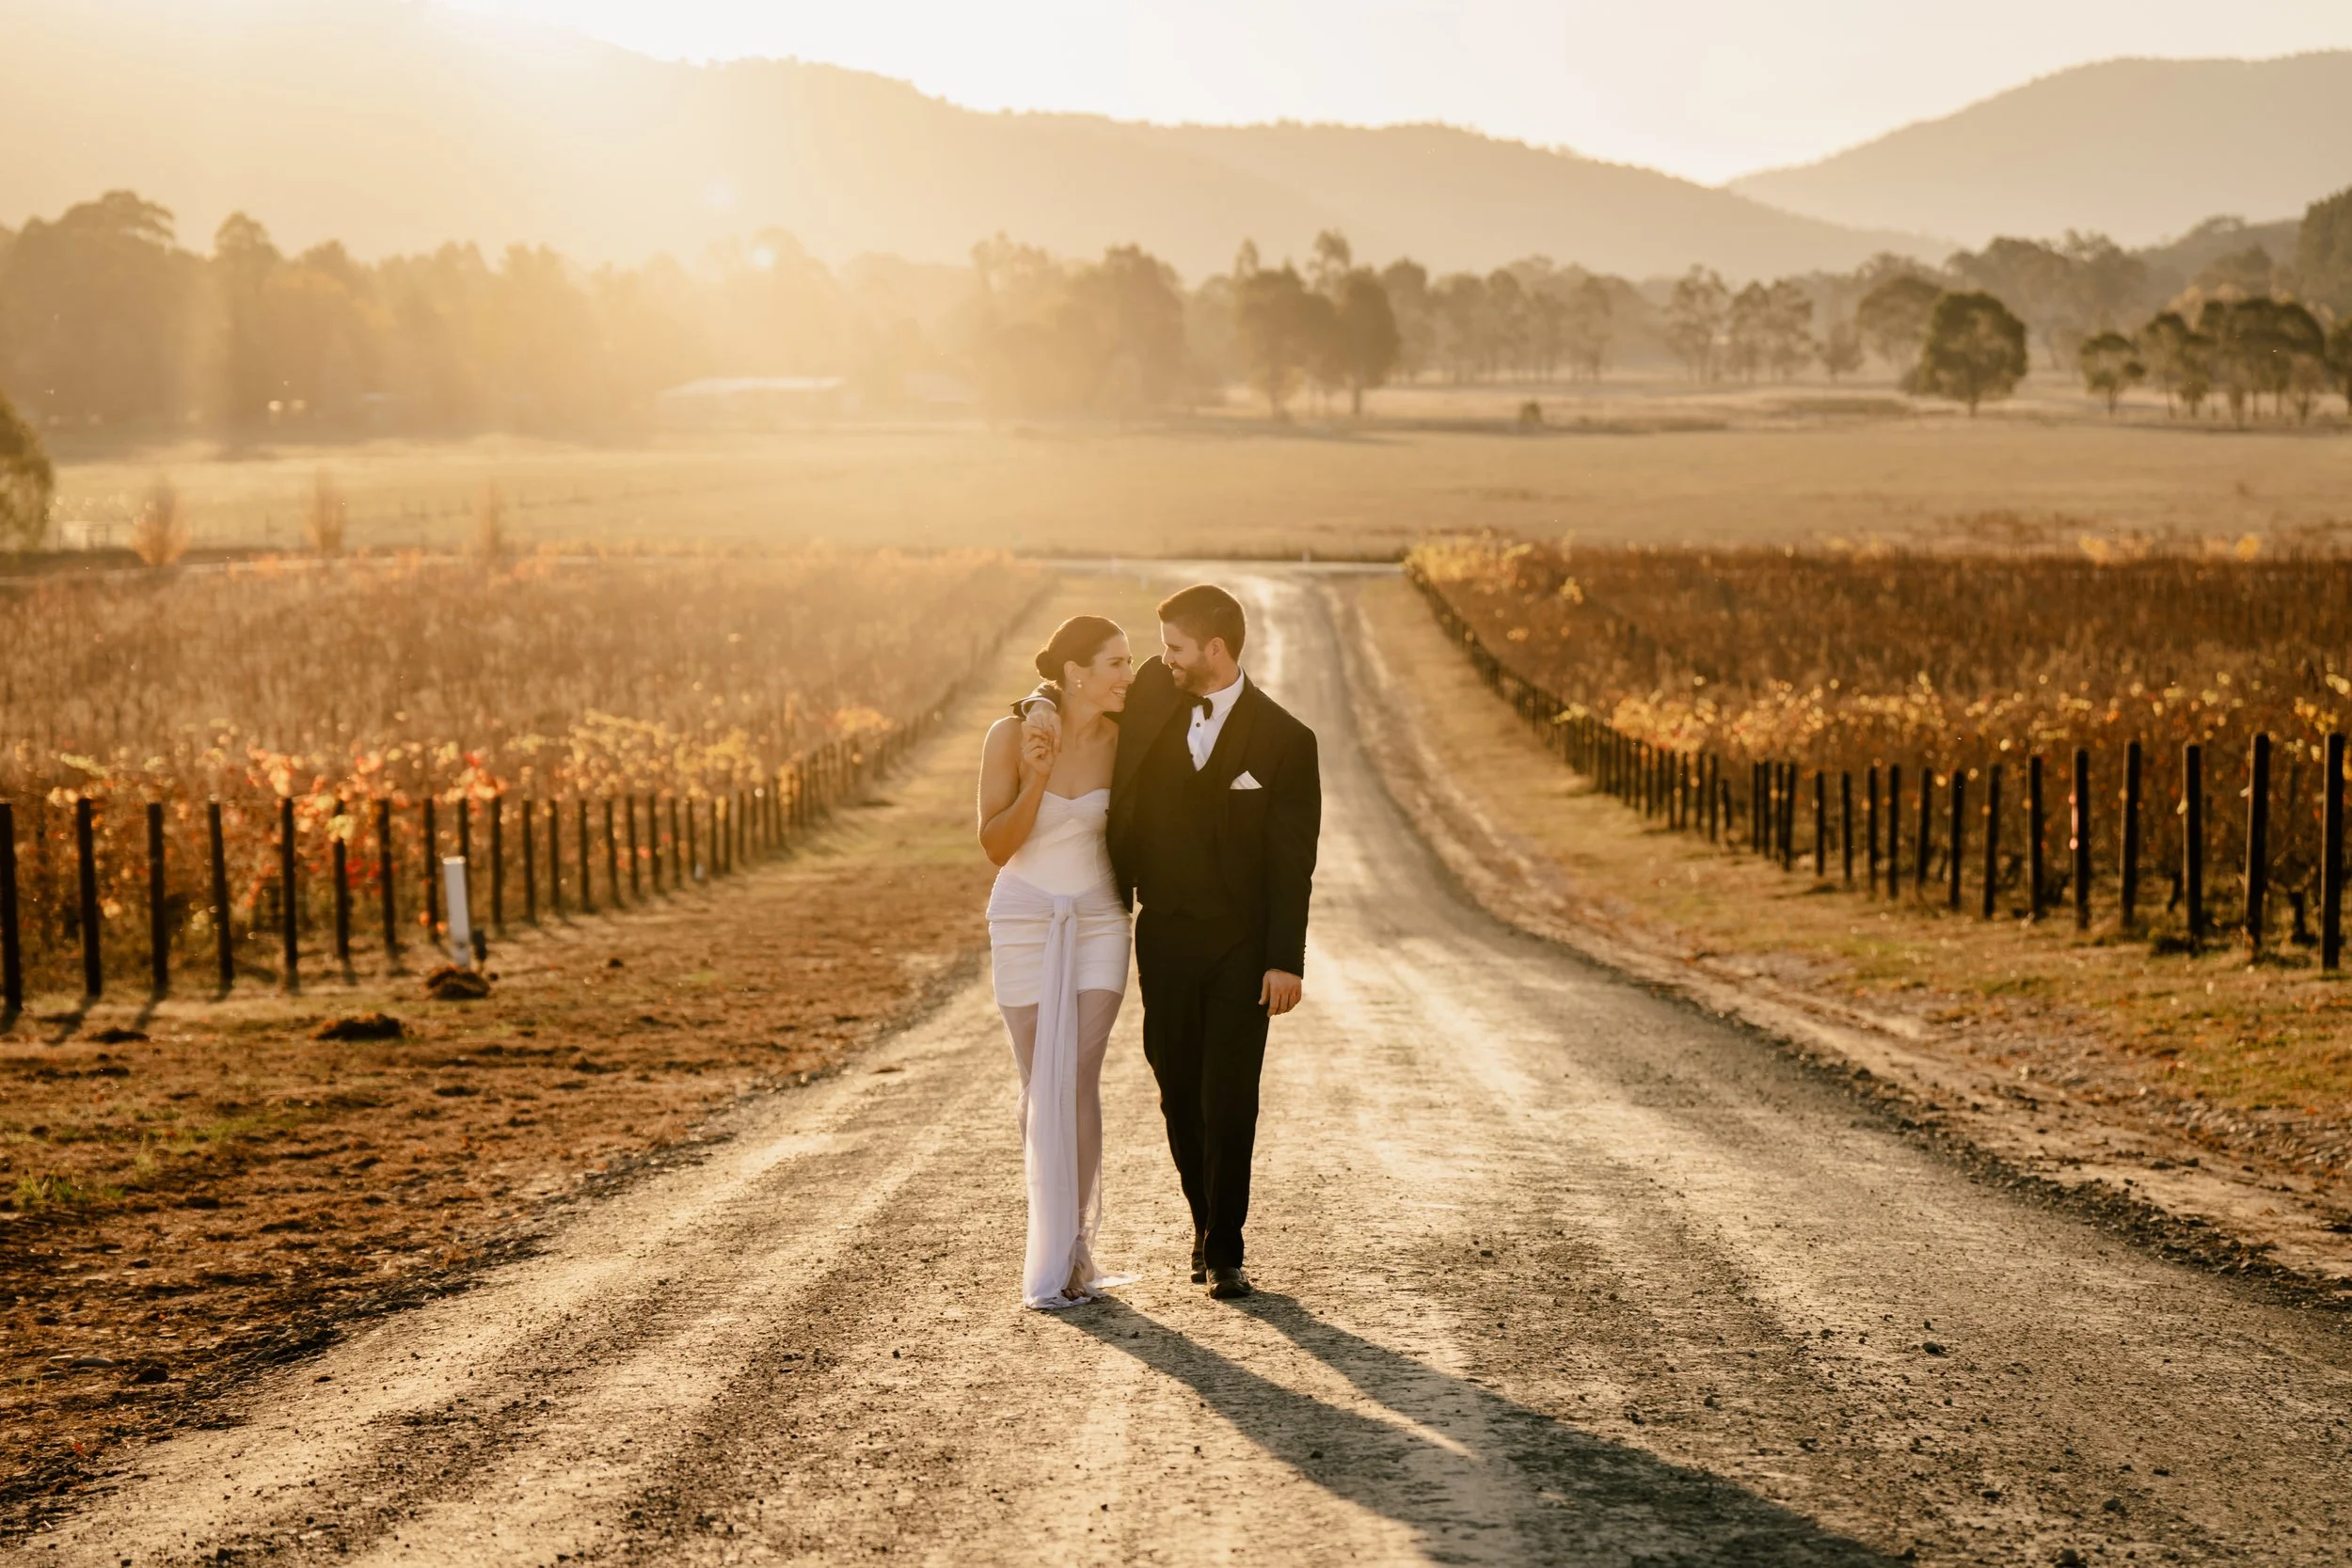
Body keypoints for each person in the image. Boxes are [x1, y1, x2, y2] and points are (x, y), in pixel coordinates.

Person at [1023, 584, 1321, 1301]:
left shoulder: (1286, 740)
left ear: (1214, 650)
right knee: (1176, 1087)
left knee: (1231, 1094)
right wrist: (1035, 702)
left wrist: (1285, 958)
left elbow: (1292, 859)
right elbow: (1067, 677)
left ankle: (1225, 1248)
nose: (1161, 660)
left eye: (1176, 648)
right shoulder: (1156, 689)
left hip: (1244, 946)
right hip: (1163, 933)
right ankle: (1202, 1217)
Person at [977, 615, 1136, 1309]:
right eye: (1116, 663)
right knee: (1040, 1082)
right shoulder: (1011, 735)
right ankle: (1047, 1231)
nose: (1130, 675)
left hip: (1100, 917)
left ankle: (1073, 1245)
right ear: (1076, 671)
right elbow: (994, 844)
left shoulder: (1129, 740)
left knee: (1077, 1076)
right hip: (1023, 916)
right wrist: (1036, 778)